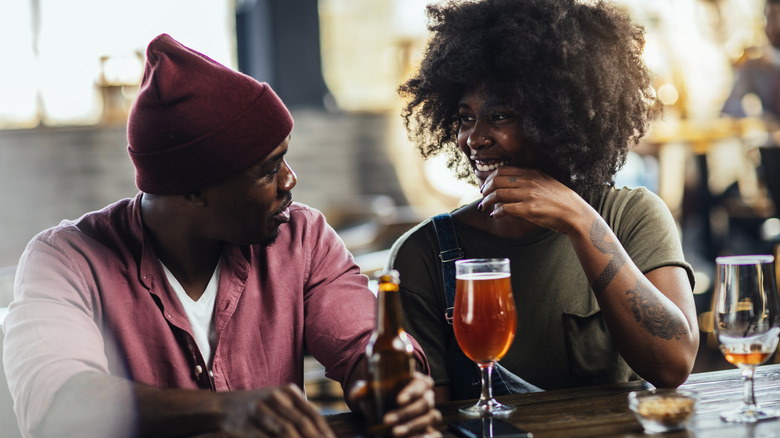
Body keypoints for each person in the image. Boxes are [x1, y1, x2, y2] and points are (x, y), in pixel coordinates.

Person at [2, 34, 441, 438]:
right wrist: (224, 410)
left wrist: (390, 386)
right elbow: (61, 403)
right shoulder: (65, 261)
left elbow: (364, 342)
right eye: (269, 169)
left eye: (284, 159)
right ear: (193, 189)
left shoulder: (303, 238)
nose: (290, 181)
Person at [388, 0, 700, 402]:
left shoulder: (631, 216)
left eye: (499, 116)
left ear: (557, 119)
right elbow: (434, 420)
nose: (474, 139)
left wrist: (580, 222)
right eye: (466, 118)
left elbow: (672, 365)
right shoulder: (423, 254)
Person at [722, 0, 780, 124]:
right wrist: (759, 116)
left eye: (775, 17)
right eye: (767, 17)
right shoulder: (756, 67)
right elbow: (730, 109)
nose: (769, 27)